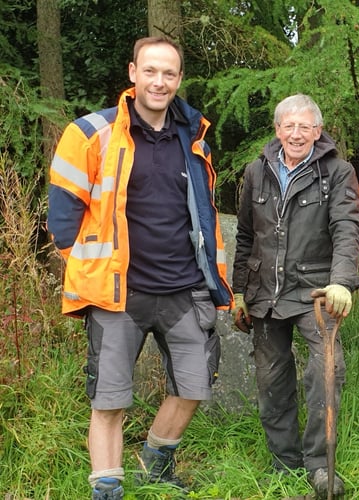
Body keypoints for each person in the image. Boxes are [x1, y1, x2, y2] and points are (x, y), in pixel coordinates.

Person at [47, 36, 233, 499]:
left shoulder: (194, 139)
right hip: (118, 292)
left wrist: (218, 283)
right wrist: (87, 270)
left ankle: (156, 461)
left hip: (184, 289)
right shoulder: (92, 133)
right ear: (133, 73)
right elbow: (62, 216)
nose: (160, 81)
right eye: (150, 71)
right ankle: (107, 488)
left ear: (179, 80)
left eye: (169, 73)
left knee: (194, 386)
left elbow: (205, 218)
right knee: (109, 399)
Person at [231, 94, 359, 499]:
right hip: (265, 293)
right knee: (271, 378)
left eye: (305, 126)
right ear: (277, 130)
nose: (296, 133)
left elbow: (347, 227)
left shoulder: (338, 172)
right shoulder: (257, 172)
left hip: (316, 291)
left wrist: (342, 280)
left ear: (318, 132)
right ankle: (284, 462)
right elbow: (245, 237)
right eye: (289, 126)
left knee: (327, 372)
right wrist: (238, 291)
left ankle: (321, 466)